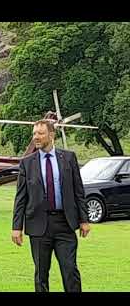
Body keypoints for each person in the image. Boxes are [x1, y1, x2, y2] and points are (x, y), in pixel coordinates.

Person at [12, 119, 91, 292]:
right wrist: (16, 227)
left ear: (51, 135)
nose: (36, 137)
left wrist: (84, 220)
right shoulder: (27, 163)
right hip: (39, 226)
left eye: (40, 133)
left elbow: (79, 191)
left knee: (70, 270)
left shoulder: (69, 158)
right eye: (34, 134)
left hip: (65, 223)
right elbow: (21, 198)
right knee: (41, 274)